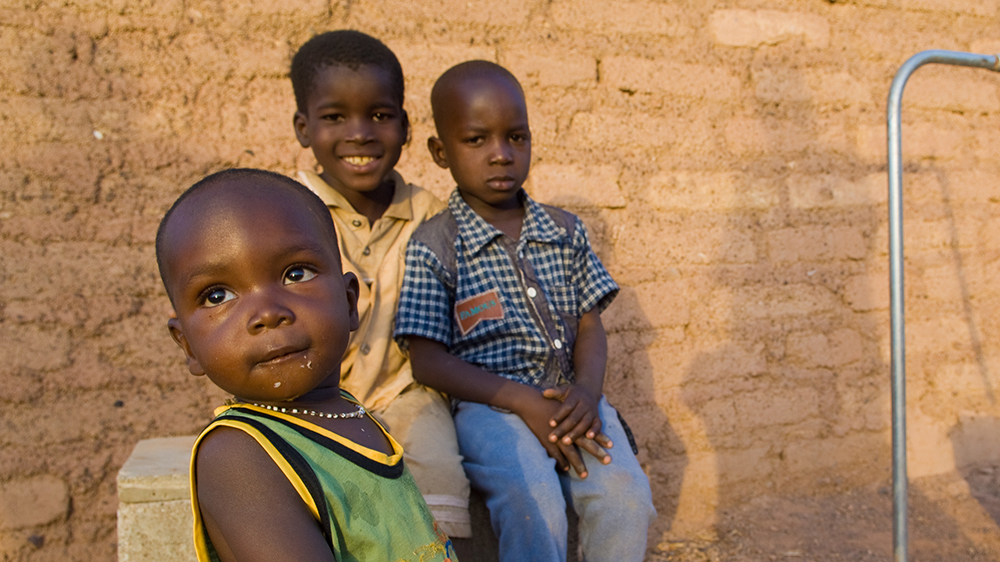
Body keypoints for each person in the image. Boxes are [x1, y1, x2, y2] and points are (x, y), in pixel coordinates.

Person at [394, 60, 657, 562]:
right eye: (477, 141)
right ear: (440, 152)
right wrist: (522, 401)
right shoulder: (435, 246)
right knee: (532, 499)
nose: (501, 155)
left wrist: (588, 391)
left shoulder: (565, 231)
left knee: (624, 496)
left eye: (516, 138)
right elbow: (427, 360)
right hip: (489, 408)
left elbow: (589, 323)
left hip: (574, 400)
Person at [156, 169, 456, 562]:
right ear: (188, 346)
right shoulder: (239, 457)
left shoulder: (346, 411)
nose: (266, 313)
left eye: (295, 274)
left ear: (351, 302)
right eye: (217, 296)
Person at [289, 30, 473, 543]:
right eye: (334, 117)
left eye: (379, 115)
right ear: (304, 128)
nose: (360, 134)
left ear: (406, 126)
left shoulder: (434, 217)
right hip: (311, 393)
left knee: (441, 486)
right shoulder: (286, 214)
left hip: (407, 391)